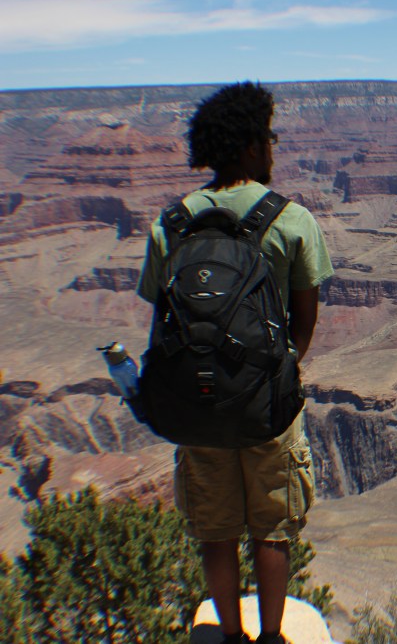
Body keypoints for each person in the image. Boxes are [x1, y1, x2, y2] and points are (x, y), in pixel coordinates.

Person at [137, 81, 333, 644]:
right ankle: (271, 637)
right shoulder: (292, 221)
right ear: (249, 146)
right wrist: (276, 373)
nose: (272, 149)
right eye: (267, 139)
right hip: (267, 405)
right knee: (272, 530)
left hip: (197, 404)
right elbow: (305, 320)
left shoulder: (170, 224)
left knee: (216, 532)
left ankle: (228, 636)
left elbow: (162, 322)